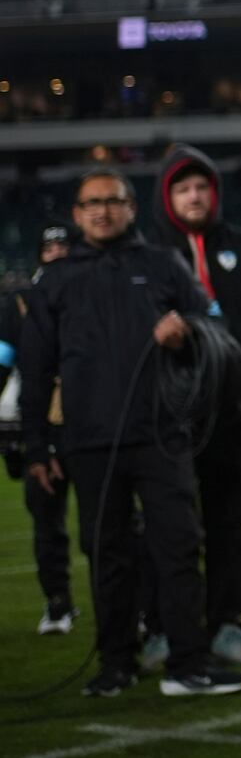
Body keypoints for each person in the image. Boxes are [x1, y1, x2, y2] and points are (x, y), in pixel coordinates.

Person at [18, 169, 241, 697]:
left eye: (112, 201)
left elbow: (215, 328)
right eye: (90, 203)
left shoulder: (163, 264)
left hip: (162, 437)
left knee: (177, 548)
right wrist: (37, 447)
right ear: (77, 215)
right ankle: (115, 665)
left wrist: (187, 330)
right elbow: (35, 372)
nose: (102, 210)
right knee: (108, 556)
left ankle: (187, 665)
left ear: (130, 207)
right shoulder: (54, 282)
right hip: (88, 442)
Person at [149, 144, 241, 667]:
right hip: (171, 421)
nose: (195, 196)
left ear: (215, 192)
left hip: (235, 416)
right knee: (170, 529)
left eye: (202, 187)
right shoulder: (150, 257)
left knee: (231, 523)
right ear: (167, 197)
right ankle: (162, 626)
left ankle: (228, 623)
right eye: (183, 188)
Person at [1, 223, 77, 635]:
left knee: (111, 521)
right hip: (39, 424)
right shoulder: (17, 304)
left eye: (64, 244)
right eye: (49, 246)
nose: (58, 252)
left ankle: (130, 613)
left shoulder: (91, 293)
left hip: (87, 423)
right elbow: (2, 362)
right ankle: (58, 602)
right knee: (47, 522)